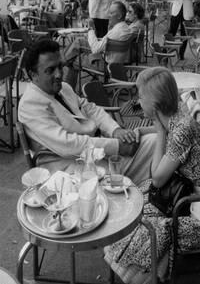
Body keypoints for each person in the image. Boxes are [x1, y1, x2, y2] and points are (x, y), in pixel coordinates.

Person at [104, 67, 200, 284]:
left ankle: (147, 280)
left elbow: (156, 179)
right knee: (133, 200)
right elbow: (165, 133)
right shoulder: (177, 115)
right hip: (194, 195)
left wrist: (158, 132)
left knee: (146, 223)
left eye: (140, 96)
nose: (137, 100)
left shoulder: (180, 130)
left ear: (154, 105)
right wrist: (144, 131)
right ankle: (145, 272)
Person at [17, 39, 156, 183]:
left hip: (95, 152)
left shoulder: (64, 88)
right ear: (33, 75)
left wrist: (115, 130)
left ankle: (158, 193)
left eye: (60, 66)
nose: (59, 74)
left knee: (154, 141)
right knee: (154, 147)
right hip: (69, 168)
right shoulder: (30, 104)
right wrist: (117, 146)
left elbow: (91, 109)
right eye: (50, 70)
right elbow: (67, 144)